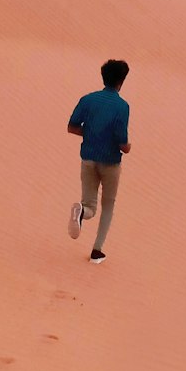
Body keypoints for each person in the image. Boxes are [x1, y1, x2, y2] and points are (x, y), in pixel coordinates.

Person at [66, 59, 131, 263]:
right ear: (121, 81)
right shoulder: (122, 106)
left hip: (88, 158)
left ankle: (81, 211)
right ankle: (97, 251)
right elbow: (122, 141)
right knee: (108, 205)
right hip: (110, 162)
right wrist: (127, 147)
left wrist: (93, 134)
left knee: (90, 206)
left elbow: (72, 127)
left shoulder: (88, 99)